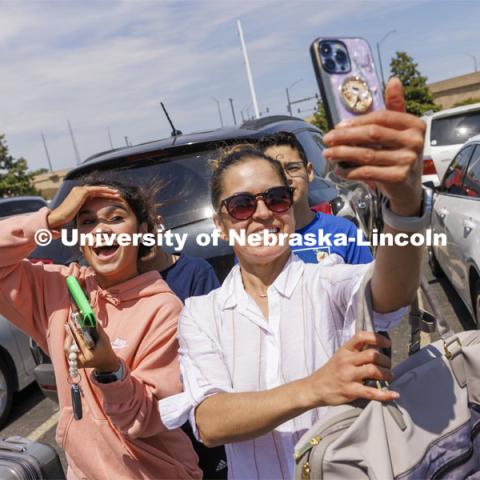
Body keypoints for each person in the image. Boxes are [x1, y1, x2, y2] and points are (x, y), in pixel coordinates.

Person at [162, 78, 426, 478]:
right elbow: (211, 423)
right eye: (242, 204)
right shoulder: (202, 313)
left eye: (276, 198)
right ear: (220, 224)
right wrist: (316, 387)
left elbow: (392, 289)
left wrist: (404, 204)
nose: (264, 212)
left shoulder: (328, 281)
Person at [0, 174, 201, 479]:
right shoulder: (57, 290)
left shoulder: (164, 309)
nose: (101, 230)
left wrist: (110, 370)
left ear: (142, 231)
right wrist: (51, 220)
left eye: (116, 218)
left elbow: (149, 419)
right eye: (86, 222)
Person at [140, 224, 228, 479]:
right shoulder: (125, 285)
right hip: (156, 425)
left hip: (197, 412)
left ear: (157, 225)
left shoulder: (196, 272)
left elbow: (215, 344)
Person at [260, 131, 373, 265]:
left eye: (293, 168)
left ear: (309, 172)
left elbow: (368, 283)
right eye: (276, 171)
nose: (286, 178)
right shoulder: (255, 243)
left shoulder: (343, 231)